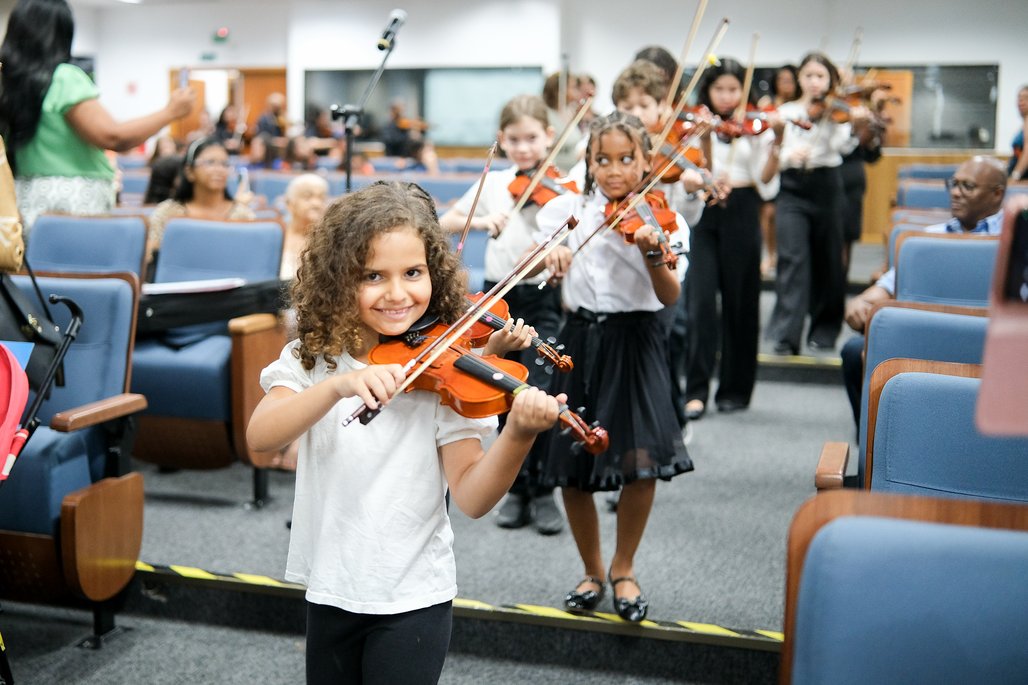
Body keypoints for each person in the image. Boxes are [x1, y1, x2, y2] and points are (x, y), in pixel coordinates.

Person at [245, 180, 564, 684]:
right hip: (330, 587)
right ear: (337, 281)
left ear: (434, 274)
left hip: (413, 596)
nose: (397, 294)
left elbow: (474, 497)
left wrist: (518, 435)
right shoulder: (317, 359)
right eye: (373, 276)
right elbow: (261, 436)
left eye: (413, 273)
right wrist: (338, 386)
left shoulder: (450, 372)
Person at [533, 111, 694, 622]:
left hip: (637, 339)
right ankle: (592, 568)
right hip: (580, 338)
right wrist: (554, 253)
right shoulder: (569, 208)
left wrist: (651, 252)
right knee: (572, 463)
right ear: (588, 161)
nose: (615, 170)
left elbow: (670, 295)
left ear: (647, 161)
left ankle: (624, 568)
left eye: (627, 159)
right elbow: (540, 255)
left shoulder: (664, 218)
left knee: (639, 462)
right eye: (603, 159)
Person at [439, 94, 567, 536]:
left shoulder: (562, 188)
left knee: (540, 390)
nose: (524, 148)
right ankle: (515, 490)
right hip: (499, 300)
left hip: (542, 298)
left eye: (532, 138)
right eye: (514, 140)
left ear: (549, 136)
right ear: (502, 140)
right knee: (505, 390)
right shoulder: (496, 182)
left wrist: (555, 250)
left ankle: (544, 490)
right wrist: (482, 221)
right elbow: (445, 221)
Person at [0, 0, 194, 236]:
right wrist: (171, 112)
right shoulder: (63, 77)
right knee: (79, 273)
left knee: (43, 273)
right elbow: (113, 137)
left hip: (23, 198)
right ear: (62, 33)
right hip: (72, 201)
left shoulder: (8, 81)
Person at [839, 156, 1007, 425]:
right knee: (854, 351)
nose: (955, 192)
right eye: (953, 184)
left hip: (993, 345)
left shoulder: (1015, 242)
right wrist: (863, 303)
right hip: (928, 341)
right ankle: (875, 444)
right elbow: (883, 289)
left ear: (997, 194)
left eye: (967, 186)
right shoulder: (928, 239)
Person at [610, 58, 708, 437]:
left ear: (661, 108)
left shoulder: (672, 150)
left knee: (672, 334)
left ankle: (673, 417)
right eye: (626, 106)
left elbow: (688, 219)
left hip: (667, 256)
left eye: (643, 106)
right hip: (624, 259)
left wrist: (690, 191)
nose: (635, 114)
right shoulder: (614, 149)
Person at [684, 58, 782, 420]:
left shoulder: (757, 125)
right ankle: (695, 390)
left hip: (743, 207)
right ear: (707, 91)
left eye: (733, 89)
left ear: (744, 91)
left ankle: (735, 389)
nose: (726, 97)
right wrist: (707, 136)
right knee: (701, 305)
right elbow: (697, 170)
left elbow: (766, 182)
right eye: (719, 89)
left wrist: (777, 143)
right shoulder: (697, 124)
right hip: (706, 213)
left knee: (741, 303)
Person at [765, 52, 870, 356]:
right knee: (792, 259)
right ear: (799, 78)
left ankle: (825, 328)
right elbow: (772, 153)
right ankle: (787, 334)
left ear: (830, 81)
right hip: (792, 189)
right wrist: (787, 156)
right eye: (809, 75)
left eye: (821, 76)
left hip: (827, 186)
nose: (814, 82)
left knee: (828, 258)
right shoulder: (784, 111)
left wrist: (855, 127)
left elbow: (841, 147)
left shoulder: (837, 111)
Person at [146, 137, 255, 262]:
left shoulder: (243, 216)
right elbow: (150, 258)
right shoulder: (167, 213)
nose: (219, 170)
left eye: (224, 164)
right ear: (189, 171)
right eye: (210, 163)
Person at [757, 64, 799, 277]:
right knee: (768, 213)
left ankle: (779, 254)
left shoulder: (801, 108)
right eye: (782, 80)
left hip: (791, 171)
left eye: (790, 80)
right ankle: (770, 254)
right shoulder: (769, 107)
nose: (786, 84)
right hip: (771, 165)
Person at [541, 72, 585, 172]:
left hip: (574, 171)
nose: (577, 92)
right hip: (556, 172)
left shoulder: (570, 111)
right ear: (558, 91)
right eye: (573, 87)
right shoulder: (546, 115)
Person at [1008, 85, 1028, 182]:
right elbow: (1017, 153)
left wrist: (1015, 176)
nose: (1021, 102)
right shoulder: (1023, 124)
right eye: (1019, 98)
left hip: (1022, 178)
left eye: (1026, 98)